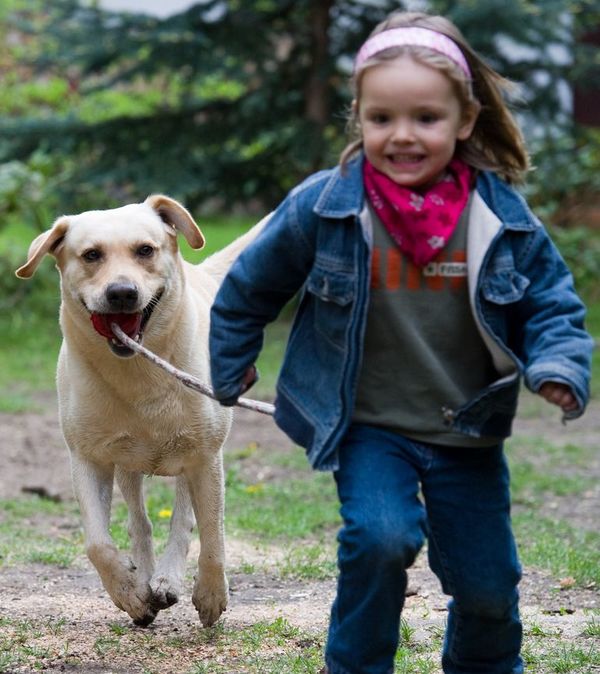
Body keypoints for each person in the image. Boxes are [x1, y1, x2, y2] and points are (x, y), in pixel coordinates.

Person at [209, 10, 593, 674]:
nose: (403, 135)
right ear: (358, 117)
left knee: (487, 588)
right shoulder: (325, 204)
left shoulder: (497, 214)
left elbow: (550, 300)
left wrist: (558, 362)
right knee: (380, 540)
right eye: (382, 118)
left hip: (465, 430)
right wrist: (231, 361)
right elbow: (248, 288)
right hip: (367, 425)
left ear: (465, 119)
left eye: (426, 118)